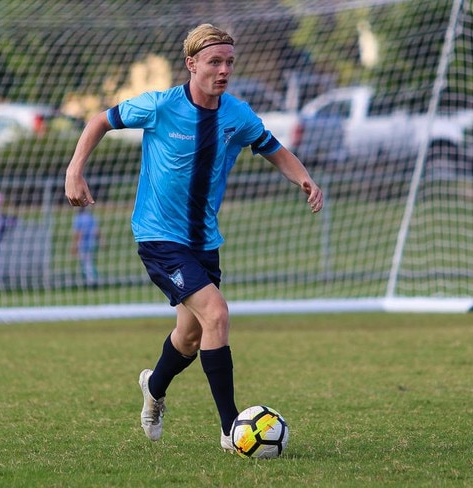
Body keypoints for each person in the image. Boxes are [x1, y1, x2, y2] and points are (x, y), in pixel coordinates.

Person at [65, 23, 324, 452]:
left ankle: (154, 386)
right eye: (214, 62)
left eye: (229, 63)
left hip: (204, 241)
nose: (223, 70)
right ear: (191, 64)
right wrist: (75, 169)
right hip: (158, 236)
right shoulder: (160, 105)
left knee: (190, 336)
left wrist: (304, 179)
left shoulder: (236, 115)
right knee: (217, 315)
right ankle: (231, 429)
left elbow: (273, 147)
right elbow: (99, 121)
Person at [72, 206, 100, 287]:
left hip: (83, 245)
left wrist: (75, 245)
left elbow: (79, 233)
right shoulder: (90, 217)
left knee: (86, 263)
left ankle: (91, 282)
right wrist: (101, 241)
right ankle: (91, 280)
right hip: (92, 244)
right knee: (89, 262)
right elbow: (96, 231)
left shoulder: (78, 218)